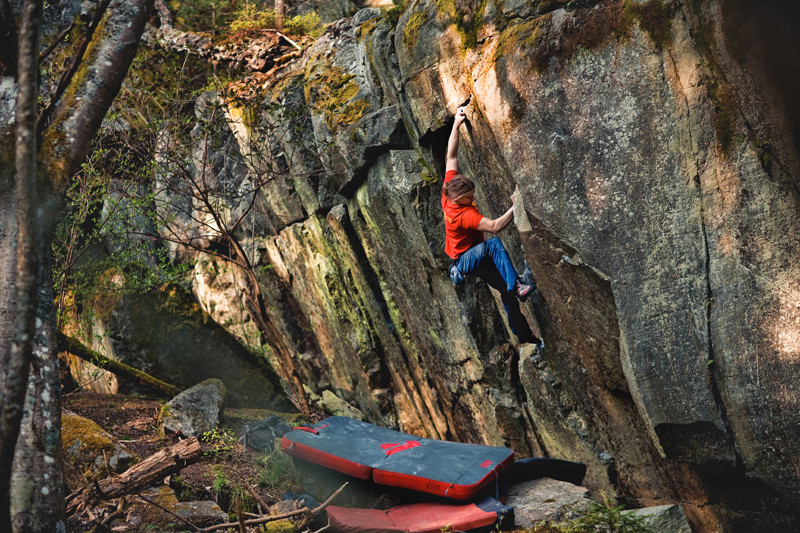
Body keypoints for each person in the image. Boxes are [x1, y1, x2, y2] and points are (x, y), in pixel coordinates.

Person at [442, 105, 542, 347]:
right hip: (467, 259)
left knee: (505, 292)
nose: (473, 198)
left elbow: (451, 155)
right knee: (494, 244)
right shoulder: (462, 215)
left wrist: (456, 123)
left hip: (472, 258)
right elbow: (495, 227)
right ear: (459, 199)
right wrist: (515, 207)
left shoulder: (449, 187)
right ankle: (518, 285)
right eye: (470, 197)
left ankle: (526, 336)